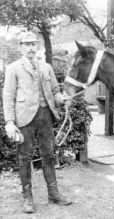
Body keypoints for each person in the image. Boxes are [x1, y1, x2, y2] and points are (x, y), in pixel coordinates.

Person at [2, 31, 72, 213]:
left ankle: (53, 193)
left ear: (37, 46)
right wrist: (9, 121)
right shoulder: (13, 68)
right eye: (27, 44)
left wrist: (60, 98)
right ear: (21, 47)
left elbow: (55, 90)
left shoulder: (46, 66)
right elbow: (8, 97)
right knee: (24, 158)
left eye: (33, 44)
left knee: (49, 155)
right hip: (24, 119)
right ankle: (28, 198)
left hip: (45, 117)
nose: (31, 47)